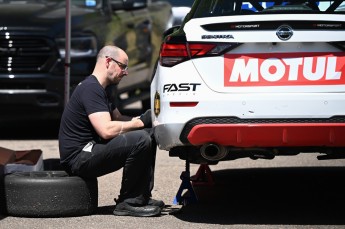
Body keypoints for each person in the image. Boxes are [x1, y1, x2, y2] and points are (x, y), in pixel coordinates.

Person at [58, 45, 164, 217]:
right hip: (79, 157)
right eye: (123, 66)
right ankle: (128, 203)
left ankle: (140, 196)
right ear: (108, 61)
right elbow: (106, 130)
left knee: (149, 135)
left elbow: (117, 120)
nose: (126, 72)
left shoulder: (103, 90)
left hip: (92, 149)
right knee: (140, 139)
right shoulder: (90, 88)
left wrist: (145, 118)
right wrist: (139, 124)